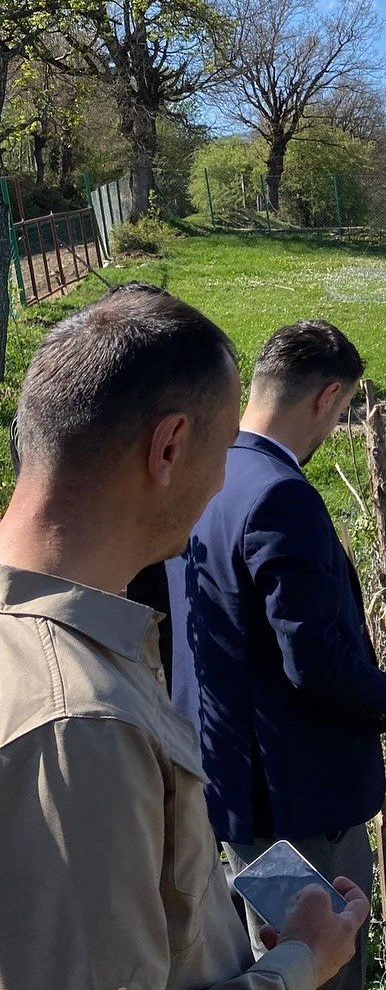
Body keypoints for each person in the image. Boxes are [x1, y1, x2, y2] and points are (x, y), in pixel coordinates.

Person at [0, 286, 367, 990]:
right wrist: (302, 958)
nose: (228, 478)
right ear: (168, 447)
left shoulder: (67, 654)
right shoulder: (83, 725)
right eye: (225, 448)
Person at [169, 321, 386, 990]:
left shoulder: (208, 476)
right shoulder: (281, 495)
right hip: (303, 805)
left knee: (271, 961)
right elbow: (314, 658)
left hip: (236, 789)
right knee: (325, 960)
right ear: (325, 398)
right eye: (340, 412)